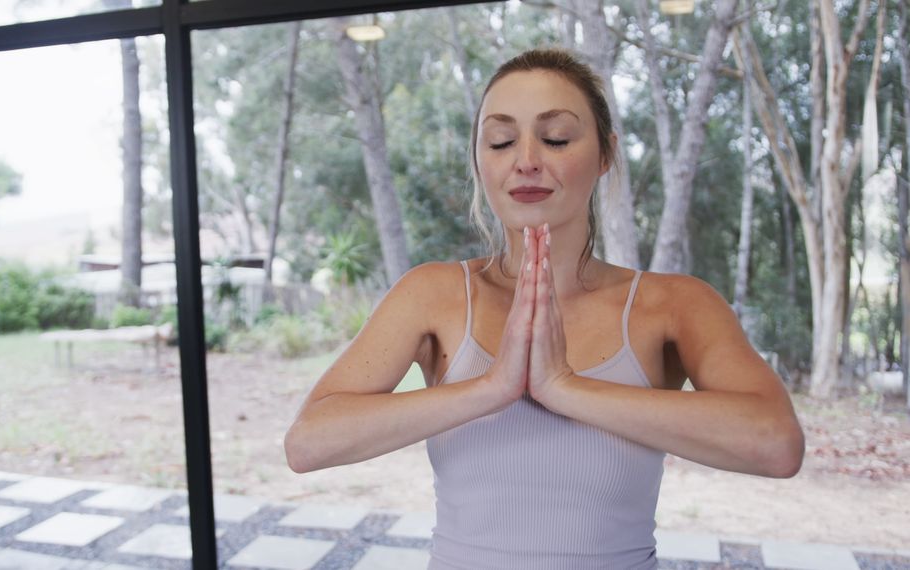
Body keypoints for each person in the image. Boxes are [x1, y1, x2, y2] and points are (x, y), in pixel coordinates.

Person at [284, 48, 805, 569]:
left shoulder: (674, 305)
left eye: (555, 137)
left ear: (605, 155)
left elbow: (776, 444)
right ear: (481, 160)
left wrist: (563, 386)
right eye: (501, 140)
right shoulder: (433, 294)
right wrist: (491, 388)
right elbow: (308, 444)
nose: (526, 159)